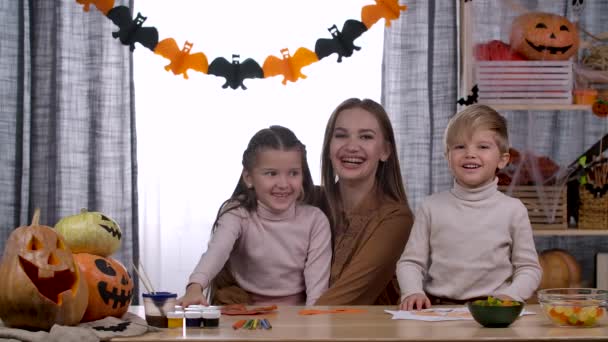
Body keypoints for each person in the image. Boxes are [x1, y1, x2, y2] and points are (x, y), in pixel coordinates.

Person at [397, 104, 542, 311]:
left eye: (482, 147)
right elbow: (410, 263)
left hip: (493, 312)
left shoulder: (513, 210)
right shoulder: (431, 207)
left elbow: (529, 268)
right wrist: (412, 291)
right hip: (439, 312)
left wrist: (511, 295)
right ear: (448, 157)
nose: (470, 154)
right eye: (459, 147)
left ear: (502, 159)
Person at [179, 125, 332, 307]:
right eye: (271, 173)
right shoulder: (238, 213)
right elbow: (217, 251)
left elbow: (317, 287)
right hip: (245, 312)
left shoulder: (315, 220)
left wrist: (312, 323)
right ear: (249, 177)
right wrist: (195, 287)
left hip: (297, 315)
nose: (283, 183)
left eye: (293, 173)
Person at [313, 98, 414, 305]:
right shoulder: (308, 200)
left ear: (385, 151)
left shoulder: (396, 219)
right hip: (295, 329)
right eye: (341, 135)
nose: (351, 146)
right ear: (328, 147)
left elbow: (343, 299)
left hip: (366, 334)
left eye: (366, 137)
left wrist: (286, 328)